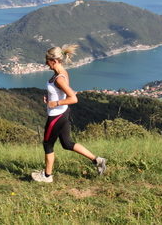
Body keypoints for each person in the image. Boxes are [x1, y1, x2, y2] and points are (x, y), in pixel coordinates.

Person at [31, 44, 107, 183]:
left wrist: (56, 103)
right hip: (63, 113)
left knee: (47, 144)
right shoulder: (61, 73)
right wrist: (50, 97)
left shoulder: (59, 78)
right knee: (66, 143)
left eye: (47, 61)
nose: (46, 64)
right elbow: (60, 92)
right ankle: (97, 161)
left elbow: (73, 98)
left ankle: (47, 176)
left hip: (57, 115)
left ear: (54, 61)